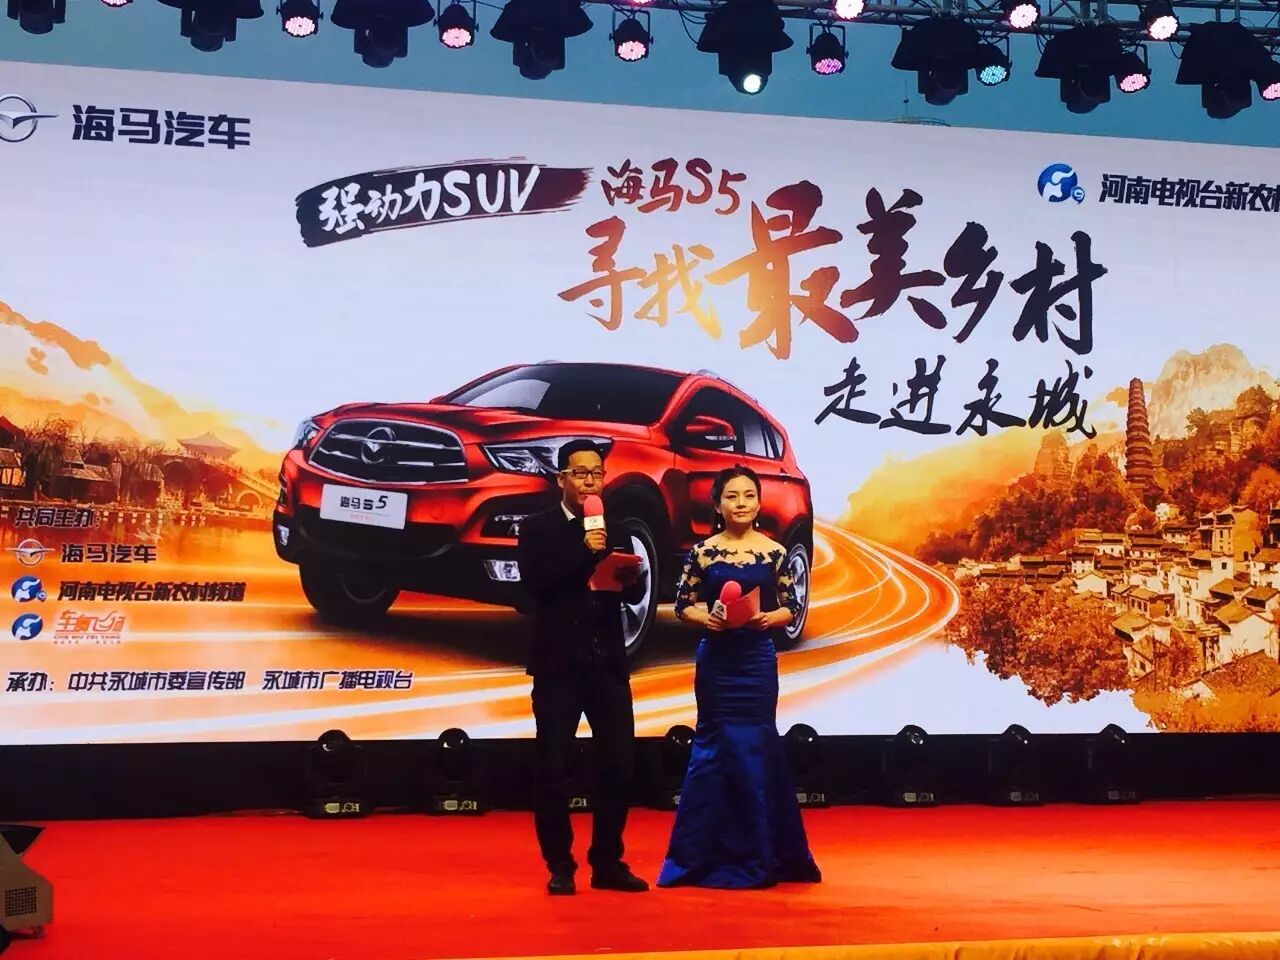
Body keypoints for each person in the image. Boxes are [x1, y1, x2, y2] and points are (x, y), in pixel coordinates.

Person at [656, 465, 822, 890]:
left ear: (759, 503)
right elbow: (683, 605)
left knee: (756, 746)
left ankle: (761, 853)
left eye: (749, 495)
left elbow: (791, 605)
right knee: (713, 748)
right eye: (732, 496)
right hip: (718, 662)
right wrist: (707, 618)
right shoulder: (703, 552)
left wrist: (769, 617)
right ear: (717, 505)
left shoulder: (774, 552)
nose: (741, 503)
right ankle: (698, 857)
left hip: (756, 661)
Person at [515, 439, 650, 896]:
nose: (590, 481)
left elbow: (632, 595)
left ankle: (607, 862)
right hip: (558, 666)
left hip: (607, 664)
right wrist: (586, 552)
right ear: (562, 479)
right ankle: (560, 865)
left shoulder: (616, 529)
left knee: (619, 766)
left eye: (597, 473)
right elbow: (535, 586)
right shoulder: (537, 528)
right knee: (553, 767)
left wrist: (632, 577)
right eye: (580, 473)